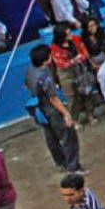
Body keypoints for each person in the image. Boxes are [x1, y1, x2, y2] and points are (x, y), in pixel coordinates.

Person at [24, 43, 80, 171]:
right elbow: (54, 100)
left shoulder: (29, 71)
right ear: (46, 60)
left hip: (40, 111)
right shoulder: (46, 79)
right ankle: (73, 167)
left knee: (51, 138)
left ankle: (60, 163)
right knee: (68, 138)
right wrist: (66, 114)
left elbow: (26, 85)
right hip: (52, 111)